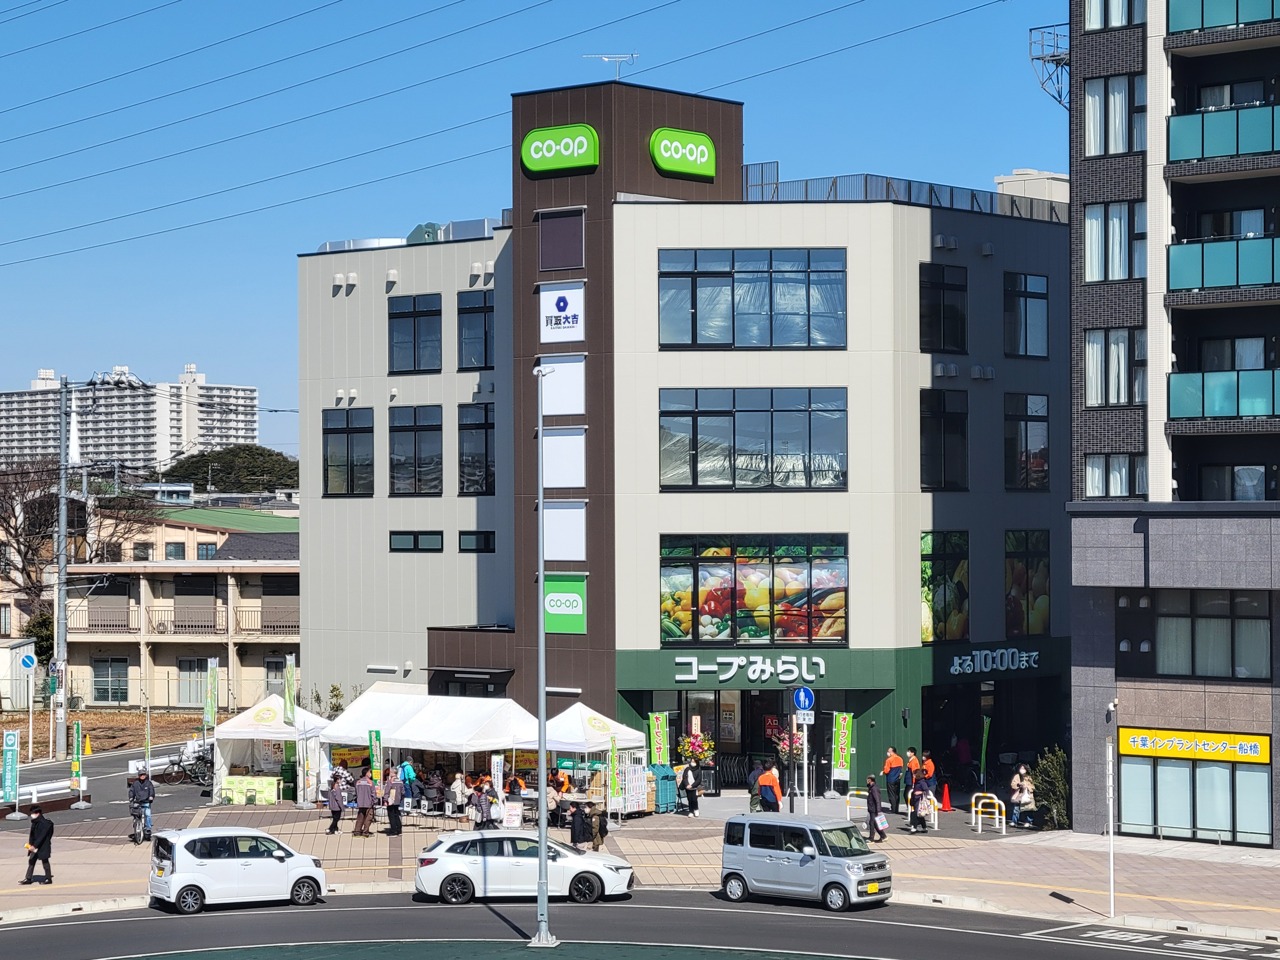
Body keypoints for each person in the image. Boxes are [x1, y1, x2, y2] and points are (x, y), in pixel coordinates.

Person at [19, 806, 53, 885]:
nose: (32, 815)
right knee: (31, 861)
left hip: (43, 845)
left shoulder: (44, 823)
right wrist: (31, 845)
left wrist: (34, 845)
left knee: (45, 861)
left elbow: (42, 836)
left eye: (33, 813)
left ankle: (48, 878)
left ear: (38, 813)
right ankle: (28, 878)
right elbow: (33, 835)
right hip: (34, 845)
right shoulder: (35, 822)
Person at [128, 769, 156, 843]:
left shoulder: (148, 783)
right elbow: (131, 791)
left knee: (147, 814)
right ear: (138, 776)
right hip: (138, 802)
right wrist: (131, 797)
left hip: (146, 801)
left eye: (143, 775)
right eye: (141, 775)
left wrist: (151, 796)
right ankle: (136, 825)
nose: (142, 776)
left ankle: (148, 829)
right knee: (136, 814)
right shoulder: (135, 783)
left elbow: (152, 790)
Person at [1010, 764, 1036, 828]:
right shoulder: (1016, 776)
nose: (1022, 770)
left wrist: (1026, 786)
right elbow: (1013, 785)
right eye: (1021, 768)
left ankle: (1028, 822)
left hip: (1027, 795)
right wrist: (1018, 785)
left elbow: (1033, 787)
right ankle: (1014, 821)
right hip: (1019, 795)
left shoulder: (1029, 777)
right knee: (1016, 808)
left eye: (1023, 768)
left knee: (1028, 808)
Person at [353, 767, 376, 838]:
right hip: (368, 803)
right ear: (367, 773)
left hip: (360, 803)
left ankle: (357, 832)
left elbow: (356, 793)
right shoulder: (371, 782)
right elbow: (373, 794)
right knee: (368, 818)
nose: (370, 774)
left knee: (360, 817)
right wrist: (374, 802)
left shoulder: (358, 782)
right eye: (369, 772)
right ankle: (365, 832)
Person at [882, 747, 904, 815]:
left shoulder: (889, 760)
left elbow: (886, 770)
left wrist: (883, 772)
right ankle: (896, 809)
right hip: (897, 779)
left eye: (888, 751)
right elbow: (901, 768)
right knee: (897, 794)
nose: (888, 753)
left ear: (892, 752)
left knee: (891, 794)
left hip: (891, 779)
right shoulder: (900, 759)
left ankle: (893, 809)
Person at [865, 775, 886, 842]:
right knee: (875, 823)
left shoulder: (874, 788)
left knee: (872, 823)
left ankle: (871, 838)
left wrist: (878, 810)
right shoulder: (871, 787)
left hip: (874, 809)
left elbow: (877, 800)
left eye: (867, 779)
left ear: (870, 780)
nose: (866, 780)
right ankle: (883, 836)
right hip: (872, 808)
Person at [383, 768, 404, 837]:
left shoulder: (390, 782)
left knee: (391, 815)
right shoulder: (400, 781)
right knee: (397, 815)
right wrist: (400, 798)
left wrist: (385, 800)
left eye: (390, 772)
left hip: (390, 800)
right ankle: (399, 830)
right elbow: (403, 792)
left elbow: (387, 791)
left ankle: (393, 830)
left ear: (392, 773)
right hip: (397, 800)